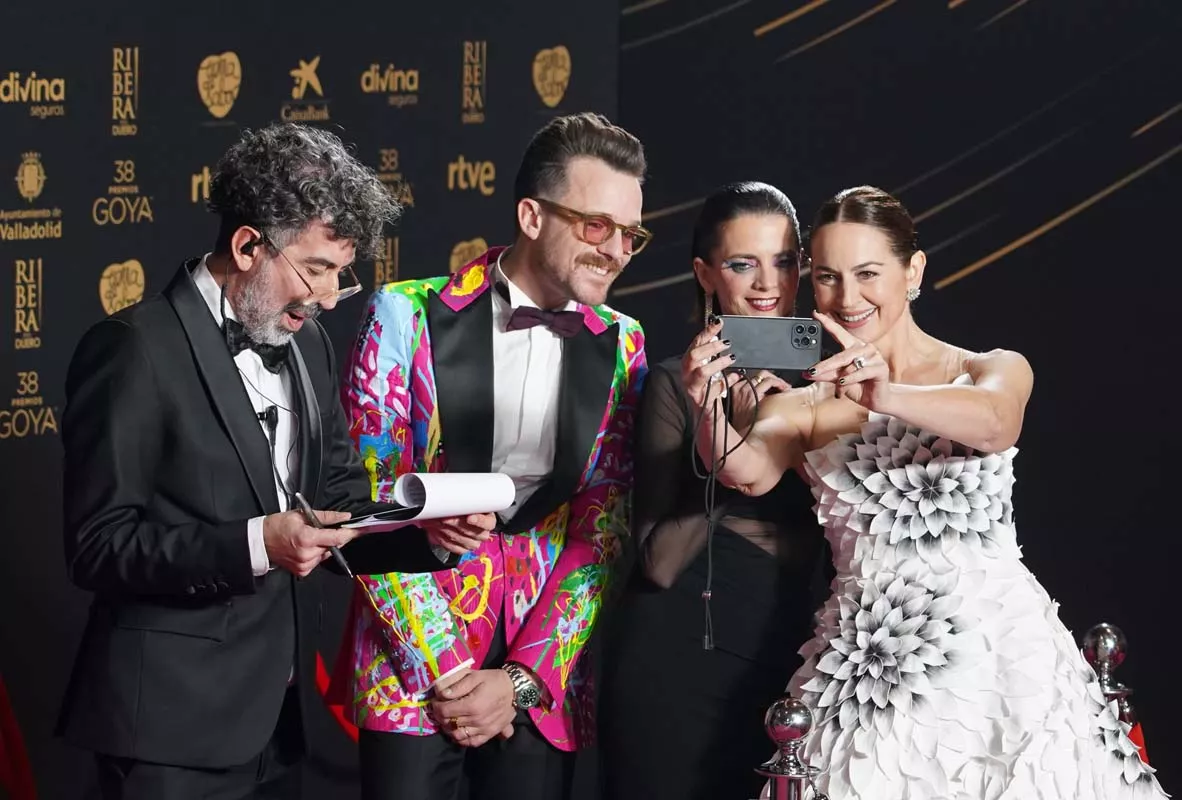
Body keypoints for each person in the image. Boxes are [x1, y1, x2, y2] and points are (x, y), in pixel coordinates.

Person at [685, 186, 1167, 799]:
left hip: (1004, 658)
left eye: (868, 273)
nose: (847, 298)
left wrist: (885, 396)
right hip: (875, 658)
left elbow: (996, 423)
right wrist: (704, 404)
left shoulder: (990, 368)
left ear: (912, 271)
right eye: (828, 277)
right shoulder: (805, 406)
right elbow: (742, 471)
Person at [56, 122, 475, 800]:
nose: (331, 297)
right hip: (165, 731)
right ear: (248, 245)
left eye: (340, 273)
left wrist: (424, 531)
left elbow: (336, 498)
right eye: (316, 269)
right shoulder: (134, 348)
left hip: (278, 725)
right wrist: (257, 544)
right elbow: (98, 548)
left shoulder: (307, 344)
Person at [327, 111, 650, 800]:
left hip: (542, 670)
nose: (618, 250)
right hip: (412, 664)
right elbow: (368, 499)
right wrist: (449, 674)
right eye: (598, 226)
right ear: (532, 216)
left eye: (631, 234)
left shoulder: (625, 342)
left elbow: (605, 524)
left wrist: (521, 680)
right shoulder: (403, 315)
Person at [597, 182, 829, 800]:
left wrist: (791, 429)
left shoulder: (831, 382)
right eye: (742, 264)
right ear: (705, 274)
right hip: (677, 660)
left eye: (784, 261)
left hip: (789, 660)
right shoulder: (674, 384)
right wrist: (725, 435)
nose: (767, 284)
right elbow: (657, 562)